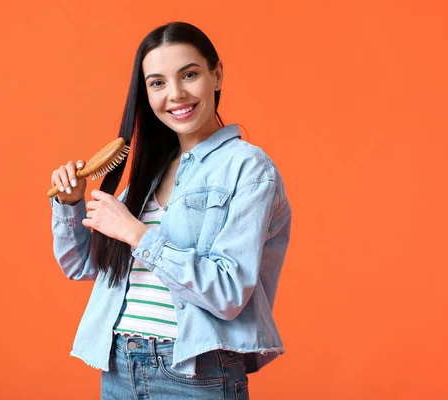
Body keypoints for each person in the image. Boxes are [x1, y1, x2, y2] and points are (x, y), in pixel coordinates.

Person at [49, 21, 291, 399]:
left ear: (217, 75)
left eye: (189, 74)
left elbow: (228, 291)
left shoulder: (248, 167)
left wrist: (136, 233)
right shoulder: (150, 173)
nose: (176, 94)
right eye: (157, 83)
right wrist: (69, 202)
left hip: (194, 374)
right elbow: (82, 266)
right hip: (119, 366)